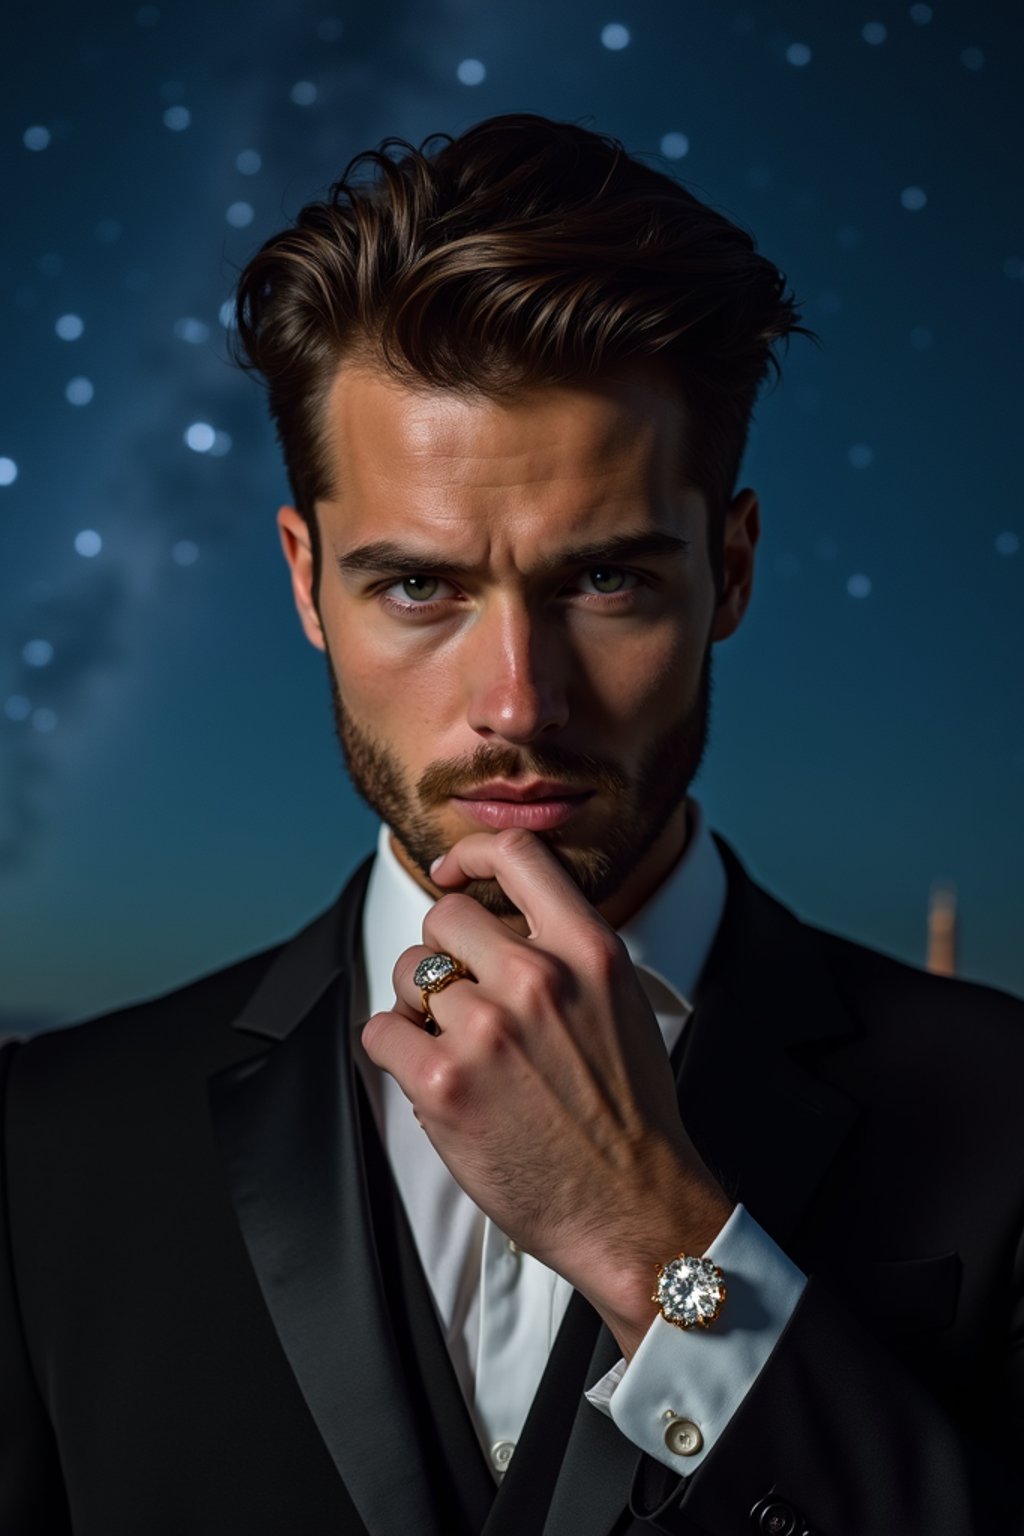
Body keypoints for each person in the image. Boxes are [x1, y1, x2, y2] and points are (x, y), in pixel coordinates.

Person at [1, 113, 1021, 1536]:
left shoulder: (1010, 1118)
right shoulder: (50, 1146)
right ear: (307, 584)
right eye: (417, 588)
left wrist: (655, 1238)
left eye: (604, 582)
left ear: (728, 572)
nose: (518, 703)